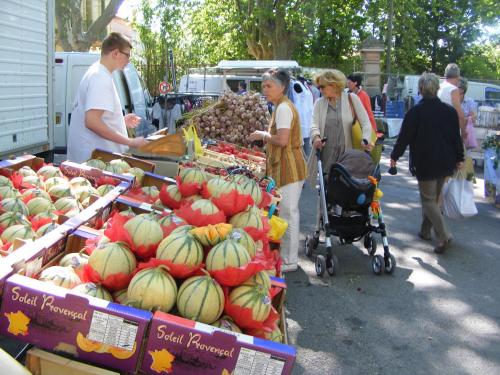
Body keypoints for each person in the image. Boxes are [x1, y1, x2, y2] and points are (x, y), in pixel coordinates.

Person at [390, 73, 464, 254]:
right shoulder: (449, 111)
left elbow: (404, 138)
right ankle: (424, 231)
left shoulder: (415, 112)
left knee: (429, 200)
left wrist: (394, 156)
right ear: (437, 89)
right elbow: (456, 138)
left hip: (425, 161)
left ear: (420, 90)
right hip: (446, 161)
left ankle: (444, 234)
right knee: (433, 198)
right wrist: (460, 157)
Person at [249, 69, 307, 273]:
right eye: (263, 86)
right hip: (284, 166)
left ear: (282, 87)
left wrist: (263, 136)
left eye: (269, 86)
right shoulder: (279, 107)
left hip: (289, 167)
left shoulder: (283, 108)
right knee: (285, 212)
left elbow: (282, 140)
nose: (265, 90)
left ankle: (290, 260)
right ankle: (287, 257)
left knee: (289, 213)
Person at [67, 32, 148, 162]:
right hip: (93, 161)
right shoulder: (100, 77)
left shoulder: (97, 72)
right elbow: (92, 121)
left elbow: (97, 116)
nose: (128, 61)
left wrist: (121, 120)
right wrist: (130, 141)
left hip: (93, 160)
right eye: (127, 55)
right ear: (115, 53)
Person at [307, 69, 372, 187]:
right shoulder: (319, 103)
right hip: (327, 156)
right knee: (327, 196)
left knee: (347, 195)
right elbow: (313, 124)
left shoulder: (352, 99)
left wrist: (365, 139)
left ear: (333, 85)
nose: (319, 89)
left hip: (349, 157)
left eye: (322, 86)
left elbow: (366, 123)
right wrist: (316, 137)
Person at [438, 63, 467, 140]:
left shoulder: (439, 87)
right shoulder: (453, 89)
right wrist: (464, 132)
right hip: (448, 129)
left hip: (436, 127)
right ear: (458, 76)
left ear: (445, 74)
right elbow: (459, 115)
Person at [457, 77, 478, 150]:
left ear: (462, 89)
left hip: (466, 135)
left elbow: (474, 118)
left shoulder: (470, 101)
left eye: (456, 86)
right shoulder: (450, 100)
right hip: (453, 133)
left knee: (465, 157)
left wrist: (461, 120)